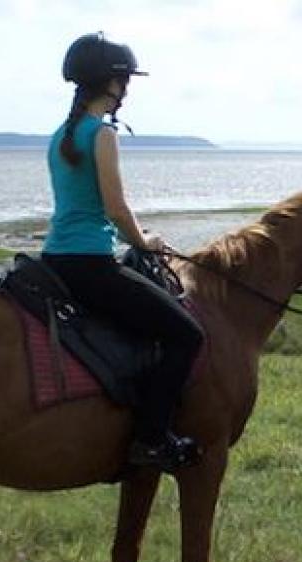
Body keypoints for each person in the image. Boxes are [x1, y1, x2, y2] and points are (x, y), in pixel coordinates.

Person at [42, 32, 205, 471]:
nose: (126, 90)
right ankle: (151, 439)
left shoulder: (61, 135)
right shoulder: (103, 135)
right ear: (112, 83)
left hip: (55, 258)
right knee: (186, 335)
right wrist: (145, 241)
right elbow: (115, 209)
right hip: (91, 263)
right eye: (124, 81)